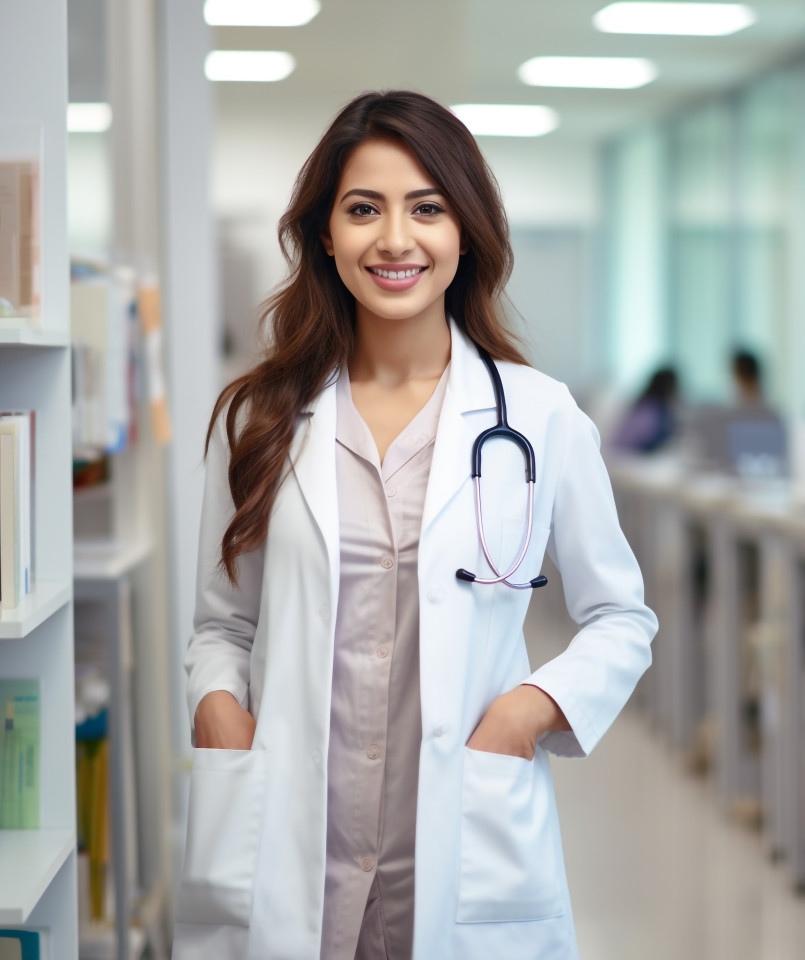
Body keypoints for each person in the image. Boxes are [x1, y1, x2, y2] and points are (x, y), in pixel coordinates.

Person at [172, 91, 657, 960]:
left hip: (463, 842)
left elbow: (620, 617)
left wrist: (528, 711)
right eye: (364, 209)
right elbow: (223, 625)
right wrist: (218, 711)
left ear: (465, 232)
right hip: (290, 846)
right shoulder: (258, 419)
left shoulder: (540, 417)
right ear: (326, 235)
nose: (395, 239)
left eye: (427, 209)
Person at [612, 365, 680, 453]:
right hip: (626, 455)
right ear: (667, 387)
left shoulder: (656, 408)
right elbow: (631, 443)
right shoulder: (650, 410)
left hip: (630, 453)